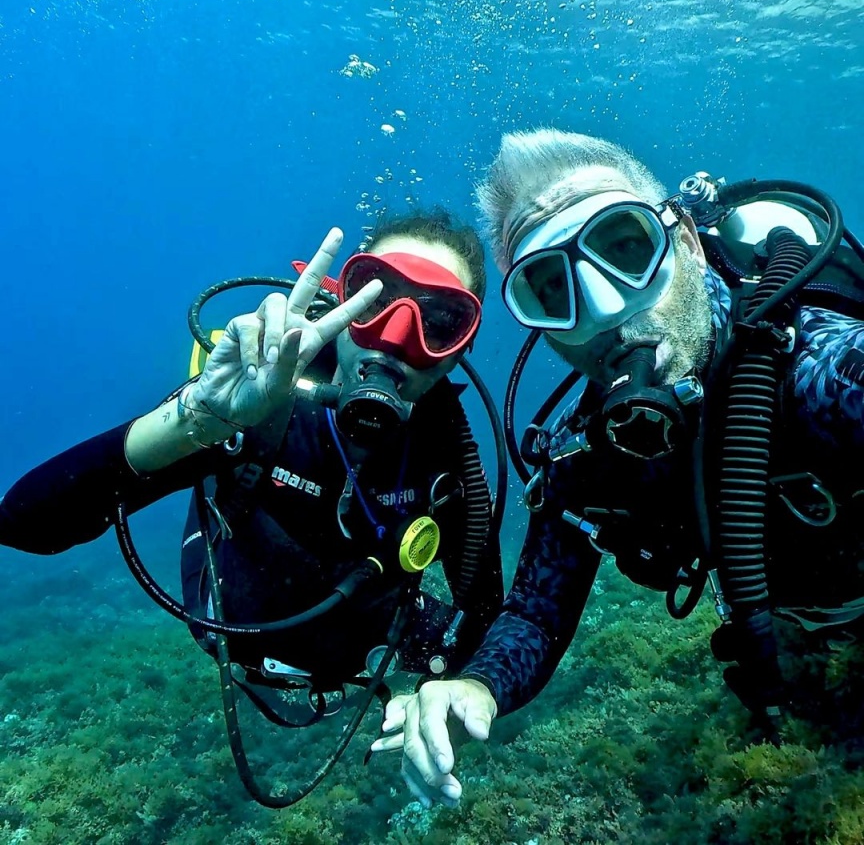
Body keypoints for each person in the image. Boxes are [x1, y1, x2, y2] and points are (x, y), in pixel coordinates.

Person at [372, 128, 864, 808]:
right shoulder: (588, 463)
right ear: (541, 327)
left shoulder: (814, 368)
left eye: (625, 247)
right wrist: (473, 685)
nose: (605, 308)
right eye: (551, 289)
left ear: (687, 243)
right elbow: (537, 617)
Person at [0, 211, 504, 807]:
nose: (396, 338)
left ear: (457, 352)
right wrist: (197, 422)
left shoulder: (447, 452)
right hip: (239, 626)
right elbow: (25, 523)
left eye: (439, 322)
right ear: (337, 299)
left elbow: (485, 610)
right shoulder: (261, 398)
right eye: (376, 298)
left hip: (370, 646)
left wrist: (443, 688)